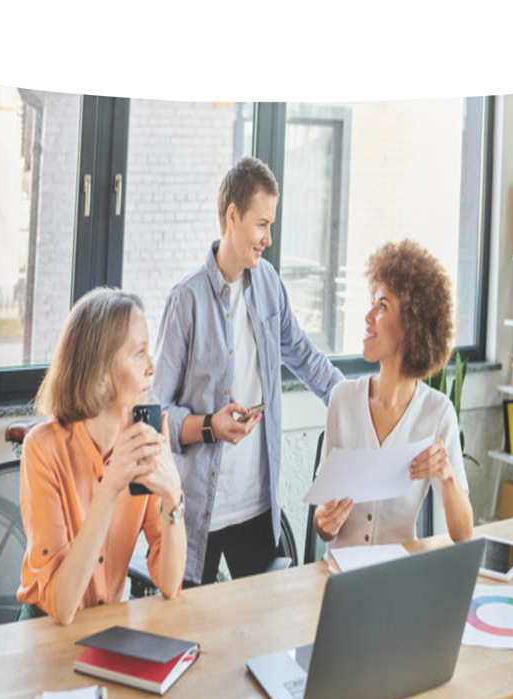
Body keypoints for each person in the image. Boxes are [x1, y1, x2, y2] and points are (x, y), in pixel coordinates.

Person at [153, 156, 344, 587]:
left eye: (271, 226)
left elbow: (304, 356)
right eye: (261, 225)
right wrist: (208, 427)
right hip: (198, 509)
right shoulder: (186, 301)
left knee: (268, 634)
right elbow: (155, 416)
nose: (268, 239)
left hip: (257, 507)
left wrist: (361, 405)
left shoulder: (270, 285)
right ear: (232, 216)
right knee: (189, 638)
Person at [17, 287, 187, 625]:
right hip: (43, 632)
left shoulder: (143, 443)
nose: (152, 367)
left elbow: (170, 585)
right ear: (98, 372)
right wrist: (110, 486)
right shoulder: (42, 449)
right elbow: (63, 608)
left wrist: (173, 498)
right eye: (139, 353)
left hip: (105, 630)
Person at [314, 239, 474, 549]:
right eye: (372, 303)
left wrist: (448, 475)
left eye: (382, 306)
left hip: (399, 577)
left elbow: (463, 534)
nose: (368, 316)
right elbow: (324, 527)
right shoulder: (342, 400)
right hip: (341, 576)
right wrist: (324, 522)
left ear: (411, 325)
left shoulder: (438, 413)